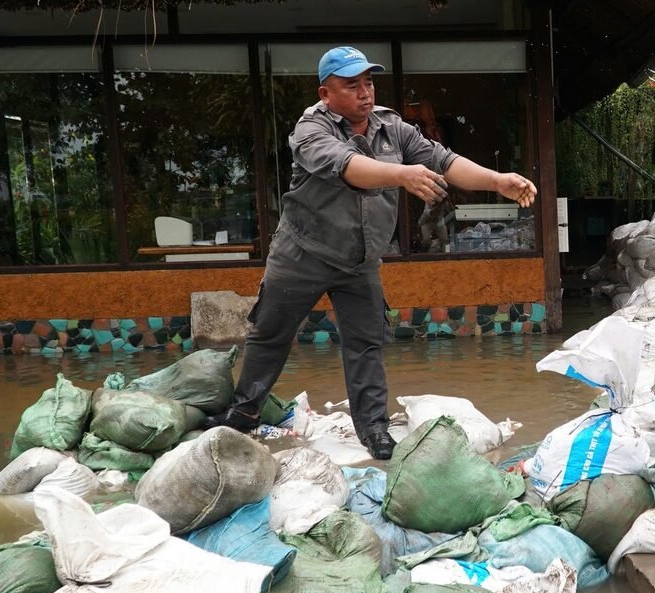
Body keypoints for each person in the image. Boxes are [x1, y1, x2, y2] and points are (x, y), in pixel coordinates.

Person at [203, 45, 537, 460]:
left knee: (365, 345)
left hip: (359, 260)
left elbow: (444, 161)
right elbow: (349, 168)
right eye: (352, 85)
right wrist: (403, 174)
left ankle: (374, 431)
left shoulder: (392, 128)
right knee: (269, 336)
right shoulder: (310, 131)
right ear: (326, 94)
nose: (365, 93)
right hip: (301, 254)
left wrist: (496, 180)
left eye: (369, 83)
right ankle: (242, 414)